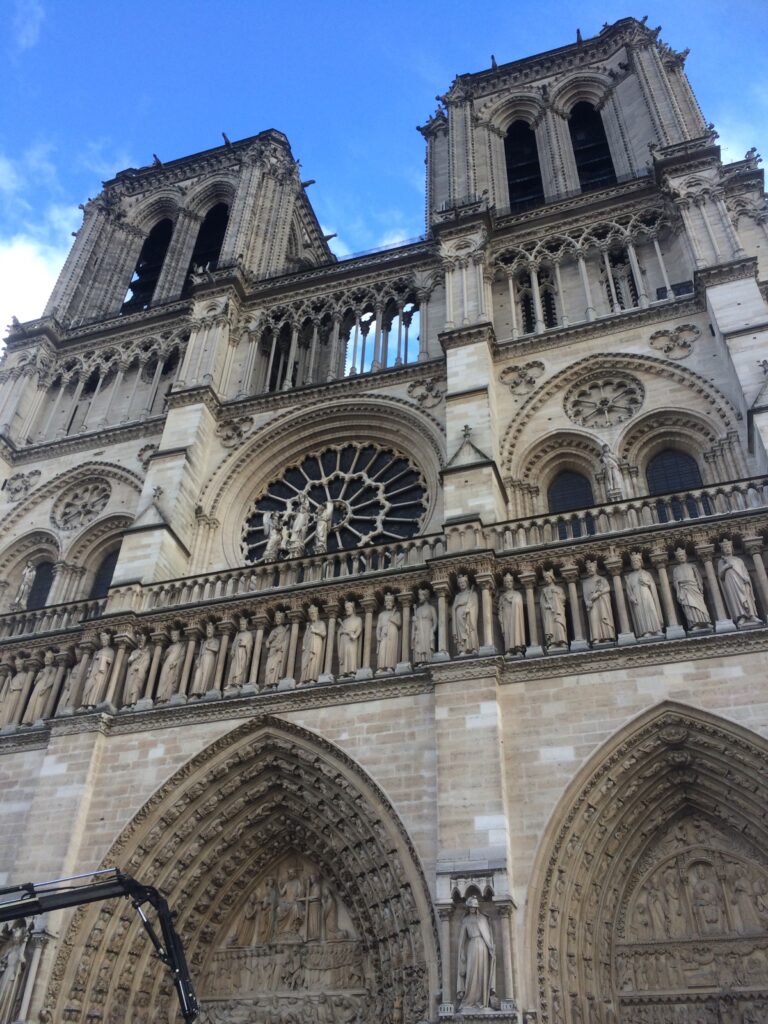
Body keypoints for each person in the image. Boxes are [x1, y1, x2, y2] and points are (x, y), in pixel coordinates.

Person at [456, 896, 495, 1010]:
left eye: (474, 907)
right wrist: (461, 953)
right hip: (472, 947)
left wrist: (491, 948)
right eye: (471, 907)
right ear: (468, 908)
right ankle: (469, 999)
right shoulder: (466, 920)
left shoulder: (482, 919)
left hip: (482, 946)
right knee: (471, 973)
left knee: (482, 972)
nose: (472, 909)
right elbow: (462, 939)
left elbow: (487, 936)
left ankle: (481, 1000)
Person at [717, 538, 761, 625]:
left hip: (741, 581)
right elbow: (720, 575)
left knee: (746, 597)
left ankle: (751, 615)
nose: (727, 549)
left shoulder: (738, 560)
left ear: (732, 548)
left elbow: (744, 571)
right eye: (725, 548)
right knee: (735, 598)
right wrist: (726, 567)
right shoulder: (721, 561)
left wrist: (746, 578)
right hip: (730, 582)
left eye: (729, 547)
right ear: (722, 550)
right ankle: (741, 616)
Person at [671, 548, 711, 630]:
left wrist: (700, 587)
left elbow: (698, 578)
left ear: (686, 556)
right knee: (689, 606)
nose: (681, 557)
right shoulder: (676, 569)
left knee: (700, 606)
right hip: (684, 590)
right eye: (679, 556)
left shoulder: (692, 566)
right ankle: (694, 623)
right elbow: (675, 581)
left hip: (693, 588)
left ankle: (705, 621)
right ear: (677, 558)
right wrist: (679, 587)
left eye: (682, 555)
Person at [625, 552, 663, 637]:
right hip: (637, 598)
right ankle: (645, 631)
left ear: (641, 563)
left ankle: (656, 629)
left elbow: (652, 585)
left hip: (647, 594)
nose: (635, 563)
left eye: (637, 561)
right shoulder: (630, 576)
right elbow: (629, 590)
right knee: (640, 613)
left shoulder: (646, 573)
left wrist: (646, 582)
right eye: (633, 562)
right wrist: (632, 597)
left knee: (651, 610)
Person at [582, 560, 615, 642]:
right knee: (594, 619)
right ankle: (596, 637)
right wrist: (587, 602)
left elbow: (608, 588)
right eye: (588, 568)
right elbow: (585, 595)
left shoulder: (602, 579)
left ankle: (607, 636)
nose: (589, 569)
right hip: (592, 605)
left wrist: (599, 594)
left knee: (604, 616)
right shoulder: (585, 583)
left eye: (591, 567)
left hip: (602, 602)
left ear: (595, 568)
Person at [23, 649, 58, 724]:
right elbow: (35, 682)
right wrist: (38, 677)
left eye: (48, 659)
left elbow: (52, 680)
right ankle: (29, 720)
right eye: (45, 659)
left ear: (51, 660)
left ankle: (37, 719)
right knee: (32, 702)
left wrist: (45, 687)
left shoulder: (53, 669)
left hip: (45, 687)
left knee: (40, 702)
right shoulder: (42, 670)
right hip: (38, 686)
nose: (46, 660)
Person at [81, 631, 115, 707]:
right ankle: (84, 704)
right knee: (88, 686)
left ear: (108, 641)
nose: (103, 642)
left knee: (96, 687)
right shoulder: (98, 652)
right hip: (93, 671)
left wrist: (103, 658)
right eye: (102, 640)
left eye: (105, 640)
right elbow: (92, 662)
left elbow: (111, 662)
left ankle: (92, 704)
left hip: (101, 673)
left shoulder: (111, 651)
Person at [189, 622, 219, 696]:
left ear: (213, 631)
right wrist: (198, 659)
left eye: (210, 630)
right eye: (207, 630)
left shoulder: (215, 641)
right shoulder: (204, 642)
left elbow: (216, 649)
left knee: (206, 674)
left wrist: (208, 647)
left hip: (209, 657)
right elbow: (201, 653)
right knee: (198, 674)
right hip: (202, 658)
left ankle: (203, 690)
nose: (209, 631)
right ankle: (195, 691)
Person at [497, 573, 525, 654]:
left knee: (516, 630)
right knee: (507, 632)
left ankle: (518, 648)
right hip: (506, 617)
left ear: (513, 583)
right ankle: (509, 650)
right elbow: (500, 610)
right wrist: (501, 619)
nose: (508, 583)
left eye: (510, 582)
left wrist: (510, 600)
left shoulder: (517, 594)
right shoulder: (502, 597)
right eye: (506, 582)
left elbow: (518, 604)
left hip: (515, 617)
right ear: (504, 584)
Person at [155, 628, 185, 702]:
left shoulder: (181, 646)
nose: (173, 638)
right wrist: (166, 653)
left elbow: (182, 657)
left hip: (173, 666)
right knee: (163, 679)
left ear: (178, 637)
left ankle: (168, 697)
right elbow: (163, 658)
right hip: (166, 665)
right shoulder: (170, 647)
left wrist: (176, 662)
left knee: (170, 680)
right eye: (172, 636)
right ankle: (160, 698)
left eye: (175, 636)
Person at [540, 569, 568, 648]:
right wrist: (546, 606)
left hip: (557, 611)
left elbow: (563, 600)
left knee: (559, 625)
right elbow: (542, 603)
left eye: (547, 577)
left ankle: (562, 641)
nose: (546, 579)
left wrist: (557, 594)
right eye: (545, 578)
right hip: (549, 612)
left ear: (552, 577)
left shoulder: (559, 589)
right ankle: (552, 642)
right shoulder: (544, 590)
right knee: (550, 627)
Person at [452, 574, 479, 655]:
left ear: (467, 583)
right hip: (459, 616)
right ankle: (462, 649)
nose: (462, 584)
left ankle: (473, 647)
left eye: (463, 582)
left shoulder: (472, 593)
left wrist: (469, 609)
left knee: (470, 630)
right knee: (461, 633)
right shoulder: (457, 596)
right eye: (460, 583)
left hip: (469, 616)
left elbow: (475, 605)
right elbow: (453, 607)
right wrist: (457, 605)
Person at [122, 633, 151, 706]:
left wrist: (140, 668)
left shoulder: (147, 652)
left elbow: (147, 663)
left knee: (136, 687)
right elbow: (129, 660)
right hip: (132, 671)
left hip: (139, 672)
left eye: (142, 642)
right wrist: (135, 657)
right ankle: (126, 703)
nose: (140, 643)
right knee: (129, 687)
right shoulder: (134, 652)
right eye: (139, 642)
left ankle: (134, 702)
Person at [300, 605, 326, 683]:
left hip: (316, 644)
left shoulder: (321, 623)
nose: (312, 616)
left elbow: (324, 633)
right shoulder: (309, 626)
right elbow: (305, 636)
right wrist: (303, 644)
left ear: (317, 614)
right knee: (305, 662)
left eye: (313, 614)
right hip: (308, 646)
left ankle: (312, 678)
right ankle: (303, 679)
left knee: (314, 660)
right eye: (311, 614)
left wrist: (315, 631)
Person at [376, 593, 401, 671]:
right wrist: (378, 637)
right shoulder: (381, 614)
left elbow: (399, 624)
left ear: (393, 603)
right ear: (384, 603)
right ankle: (381, 667)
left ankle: (390, 666)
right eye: (387, 601)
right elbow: (378, 628)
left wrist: (392, 619)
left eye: (390, 601)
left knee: (391, 648)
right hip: (384, 632)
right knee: (382, 649)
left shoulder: (396, 613)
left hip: (392, 632)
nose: (388, 603)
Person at [411, 587, 437, 664]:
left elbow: (435, 621)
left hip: (427, 629)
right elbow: (415, 626)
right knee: (419, 644)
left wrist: (433, 630)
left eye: (420, 595)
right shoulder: (418, 610)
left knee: (427, 644)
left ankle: (428, 659)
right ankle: (420, 660)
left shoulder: (431, 608)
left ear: (425, 596)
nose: (419, 597)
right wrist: (414, 621)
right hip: (419, 630)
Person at [264, 611, 289, 687]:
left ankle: (274, 682)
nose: (277, 620)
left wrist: (281, 646)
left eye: (279, 618)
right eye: (276, 618)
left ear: (282, 619)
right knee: (269, 667)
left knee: (275, 666)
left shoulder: (285, 630)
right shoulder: (273, 631)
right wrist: (271, 640)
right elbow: (267, 643)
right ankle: (268, 683)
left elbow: (286, 642)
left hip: (278, 651)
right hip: (272, 651)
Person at [337, 600, 362, 676]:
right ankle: (342, 673)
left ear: (353, 608)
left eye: (348, 607)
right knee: (344, 655)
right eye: (346, 608)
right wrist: (342, 632)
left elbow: (359, 630)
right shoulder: (344, 621)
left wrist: (353, 635)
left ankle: (351, 671)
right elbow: (339, 632)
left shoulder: (358, 619)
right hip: (343, 640)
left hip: (351, 640)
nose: (347, 609)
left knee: (351, 654)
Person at [226, 616, 253, 688]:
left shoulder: (248, 634)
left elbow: (250, 645)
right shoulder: (238, 634)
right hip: (236, 653)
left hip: (243, 653)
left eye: (243, 624)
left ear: (246, 625)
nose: (242, 626)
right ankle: (231, 683)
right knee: (233, 667)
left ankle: (238, 682)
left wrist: (244, 644)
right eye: (241, 625)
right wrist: (232, 650)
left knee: (241, 667)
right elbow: (234, 643)